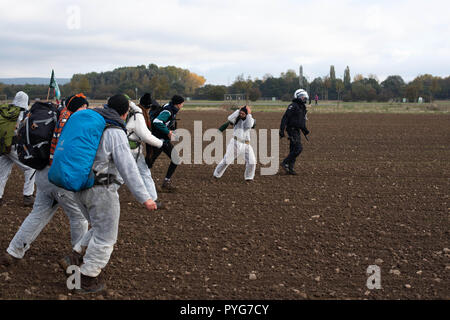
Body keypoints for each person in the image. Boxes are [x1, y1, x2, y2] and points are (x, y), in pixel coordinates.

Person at [66, 94, 157, 293]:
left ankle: (75, 255)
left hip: (77, 186)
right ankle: (87, 278)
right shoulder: (115, 132)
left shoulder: (91, 123)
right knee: (106, 235)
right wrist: (145, 198)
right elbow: (128, 169)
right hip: (100, 189)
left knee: (98, 226)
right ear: (125, 113)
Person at [0, 94, 90, 268]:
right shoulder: (71, 123)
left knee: (38, 213)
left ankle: (13, 252)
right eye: (84, 107)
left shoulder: (55, 118)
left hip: (43, 174)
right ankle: (78, 260)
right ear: (79, 108)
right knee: (78, 217)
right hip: (59, 178)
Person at [0, 91, 35, 207]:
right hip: (14, 146)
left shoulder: (6, 111)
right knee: (30, 168)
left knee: (3, 172)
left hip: (3, 146)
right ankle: (28, 196)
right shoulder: (22, 114)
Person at [126, 96, 164, 204]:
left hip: (123, 147)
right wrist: (161, 143)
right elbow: (146, 136)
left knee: (118, 175)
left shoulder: (129, 112)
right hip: (133, 150)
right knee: (144, 173)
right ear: (149, 107)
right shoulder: (138, 115)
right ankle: (153, 199)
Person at [146, 95, 184, 192]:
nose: (183, 105)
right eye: (182, 103)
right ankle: (143, 182)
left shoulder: (171, 107)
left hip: (164, 141)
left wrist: (170, 132)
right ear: (178, 104)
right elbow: (157, 121)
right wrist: (168, 132)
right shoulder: (168, 111)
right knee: (148, 163)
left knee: (175, 159)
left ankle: (166, 182)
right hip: (158, 140)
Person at [213, 106, 256, 181]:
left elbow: (249, 125)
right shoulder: (236, 119)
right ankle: (216, 174)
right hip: (236, 143)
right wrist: (239, 110)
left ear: (247, 114)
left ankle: (249, 177)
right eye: (240, 113)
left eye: (243, 114)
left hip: (246, 144)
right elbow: (229, 118)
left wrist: (248, 114)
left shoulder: (250, 120)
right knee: (226, 161)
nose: (241, 115)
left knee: (252, 161)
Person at [279, 89, 310, 175]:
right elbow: (285, 118)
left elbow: (301, 121)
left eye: (305, 96)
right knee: (298, 148)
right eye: (302, 96)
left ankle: (290, 168)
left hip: (297, 130)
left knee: (293, 149)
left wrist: (305, 130)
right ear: (298, 97)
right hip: (291, 130)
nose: (304, 98)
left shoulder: (302, 107)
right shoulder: (293, 106)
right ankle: (285, 162)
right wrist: (281, 130)